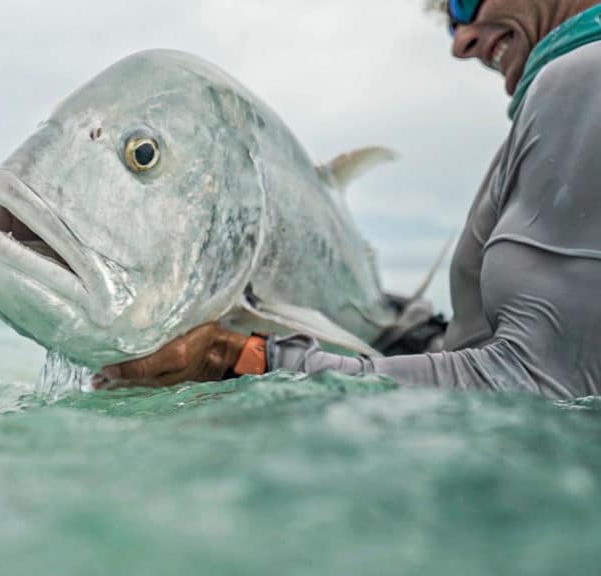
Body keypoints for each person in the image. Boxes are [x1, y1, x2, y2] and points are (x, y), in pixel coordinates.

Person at [100, 0, 601, 400]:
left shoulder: (580, 77)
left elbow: (541, 389)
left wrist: (242, 359)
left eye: (466, 3)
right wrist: (404, 332)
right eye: (450, 24)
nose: (462, 43)